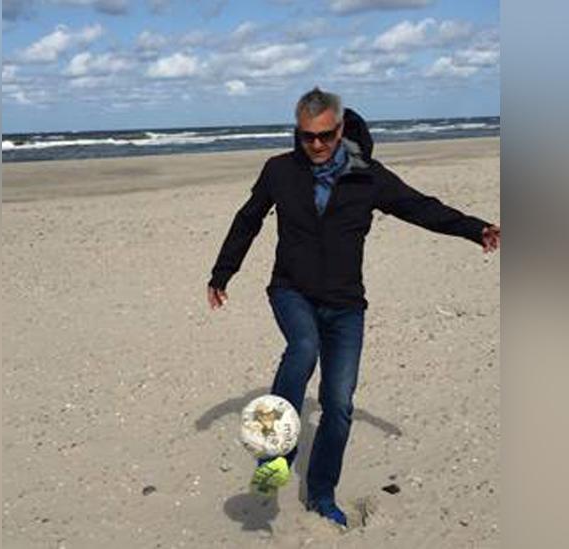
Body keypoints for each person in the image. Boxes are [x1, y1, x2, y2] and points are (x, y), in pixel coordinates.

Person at [206, 87, 500, 529]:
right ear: (297, 133)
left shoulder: (369, 178)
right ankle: (277, 452)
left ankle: (322, 495)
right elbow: (248, 219)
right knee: (302, 348)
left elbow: (420, 207)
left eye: (325, 135)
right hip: (292, 291)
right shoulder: (279, 171)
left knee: (338, 404)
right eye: (308, 137)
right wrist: (222, 273)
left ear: (340, 128)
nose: (317, 145)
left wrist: (475, 229)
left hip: (346, 305)